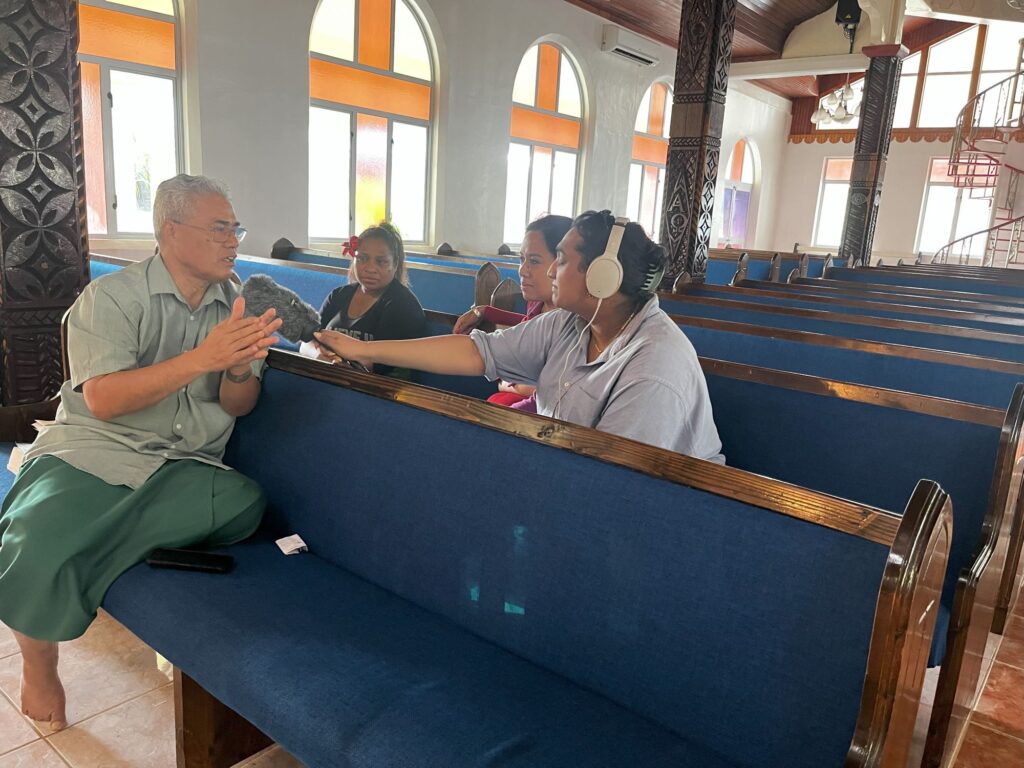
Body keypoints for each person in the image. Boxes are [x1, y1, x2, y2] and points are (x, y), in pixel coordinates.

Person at [0, 174, 282, 731]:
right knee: (31, 539)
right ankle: (39, 666)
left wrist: (239, 367)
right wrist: (202, 358)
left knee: (245, 502)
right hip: (97, 451)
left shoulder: (238, 305)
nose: (233, 240)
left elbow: (240, 405)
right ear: (170, 230)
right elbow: (103, 401)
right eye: (219, 228)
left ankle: (91, 543)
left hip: (183, 464)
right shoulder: (110, 298)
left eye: (236, 228)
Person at [315, 210, 724, 462]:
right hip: (570, 470)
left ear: (603, 276)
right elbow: (477, 352)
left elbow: (612, 479)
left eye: (560, 260)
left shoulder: (653, 366)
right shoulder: (572, 321)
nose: (548, 272)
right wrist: (361, 348)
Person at [452, 214, 572, 412]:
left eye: (533, 261)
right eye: (521, 259)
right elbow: (526, 327)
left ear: (562, 264)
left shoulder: (575, 322)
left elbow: (547, 393)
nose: (522, 270)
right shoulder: (537, 302)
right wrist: (485, 311)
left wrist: (516, 385)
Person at [307, 222, 428, 377]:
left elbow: (381, 366)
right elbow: (308, 340)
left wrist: (334, 361)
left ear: (395, 263)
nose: (370, 268)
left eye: (381, 261)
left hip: (376, 391)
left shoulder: (404, 306)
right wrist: (317, 355)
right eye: (362, 258)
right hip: (327, 376)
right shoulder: (338, 295)